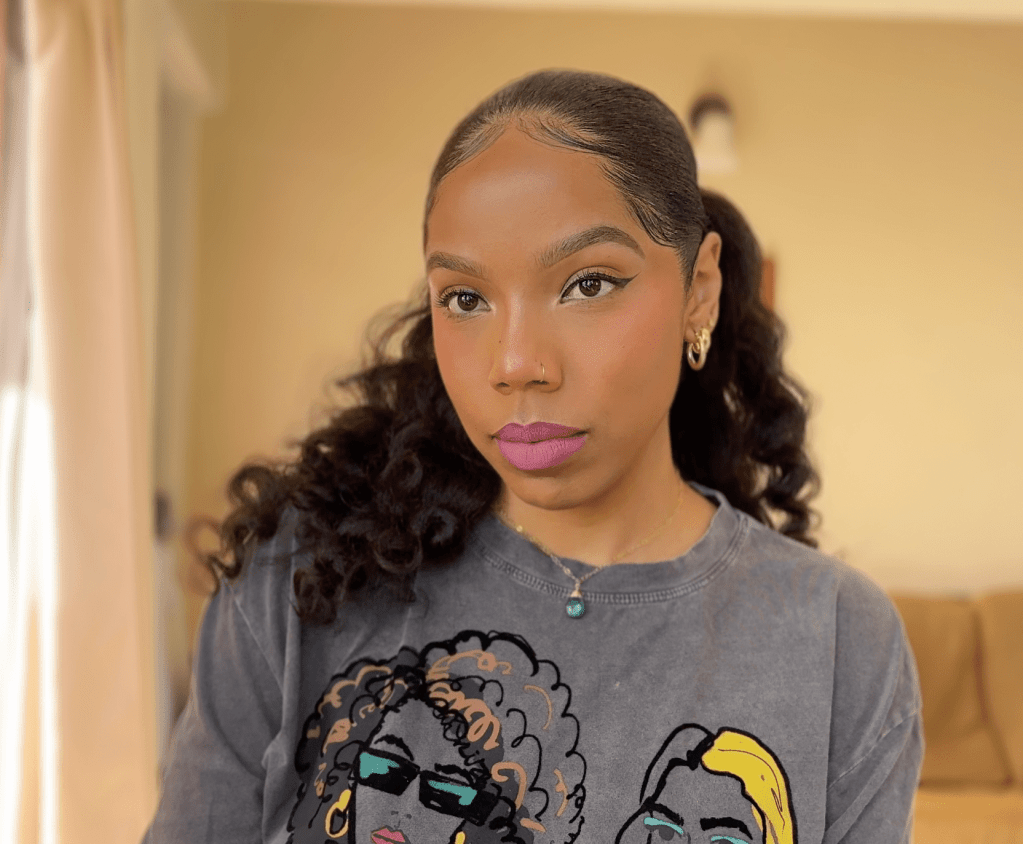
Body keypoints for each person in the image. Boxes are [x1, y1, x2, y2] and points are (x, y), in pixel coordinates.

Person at [143, 69, 922, 844]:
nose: (515, 362)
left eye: (588, 284)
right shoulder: (302, 586)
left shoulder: (839, 642)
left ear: (700, 290)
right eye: (465, 299)